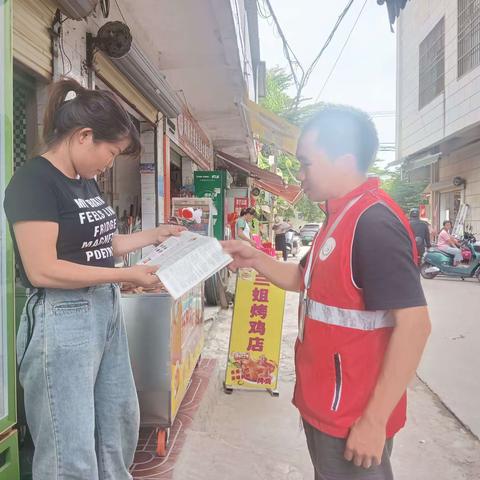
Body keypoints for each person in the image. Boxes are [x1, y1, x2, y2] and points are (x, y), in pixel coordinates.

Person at [222, 104, 431, 480]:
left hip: (353, 417)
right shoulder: (337, 218)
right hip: (326, 405)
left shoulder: (374, 223)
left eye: (306, 163)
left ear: (345, 161)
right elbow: (302, 280)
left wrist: (373, 420)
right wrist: (253, 257)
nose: (299, 175)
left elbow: (415, 327)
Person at [3, 78, 185, 480]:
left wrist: (156, 236)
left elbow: (102, 243)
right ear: (84, 136)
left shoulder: (85, 181)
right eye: (111, 152)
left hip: (104, 310)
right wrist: (125, 275)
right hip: (62, 317)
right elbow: (43, 268)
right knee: (71, 448)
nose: (110, 163)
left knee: (118, 423)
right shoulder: (33, 182)